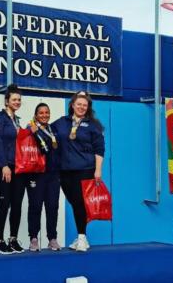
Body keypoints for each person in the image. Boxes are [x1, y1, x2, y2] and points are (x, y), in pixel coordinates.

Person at [52, 92, 105, 252]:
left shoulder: (93, 125)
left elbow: (100, 149)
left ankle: (82, 237)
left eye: (85, 105)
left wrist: (98, 170)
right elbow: (47, 130)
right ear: (72, 105)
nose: (81, 107)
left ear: (87, 108)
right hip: (65, 170)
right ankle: (82, 237)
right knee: (75, 203)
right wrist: (31, 127)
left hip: (85, 169)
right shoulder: (62, 122)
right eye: (79, 104)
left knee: (80, 203)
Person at [0, 84, 26, 254]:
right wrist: (4, 165)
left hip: (16, 167)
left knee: (17, 203)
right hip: (0, 165)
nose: (17, 102)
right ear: (6, 101)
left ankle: (13, 239)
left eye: (19, 99)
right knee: (4, 203)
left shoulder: (17, 120)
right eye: (14, 99)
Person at [26, 103, 62, 252]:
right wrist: (33, 133)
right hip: (36, 174)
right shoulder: (30, 128)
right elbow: (37, 148)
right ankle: (33, 238)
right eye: (41, 113)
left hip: (53, 174)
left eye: (47, 112)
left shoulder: (53, 129)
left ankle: (52, 238)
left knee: (52, 206)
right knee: (35, 206)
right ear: (36, 115)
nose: (44, 115)